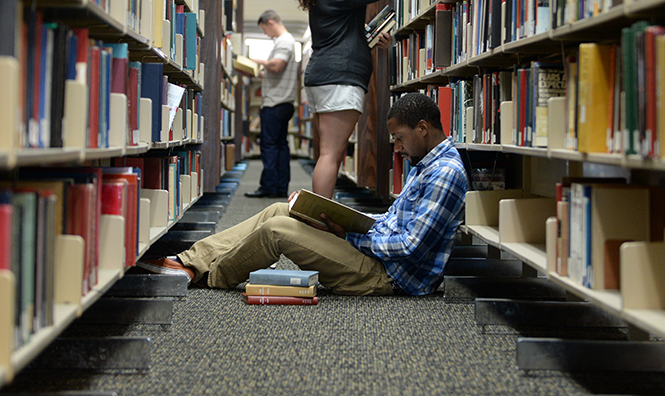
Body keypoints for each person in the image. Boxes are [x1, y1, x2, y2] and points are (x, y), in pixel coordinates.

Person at [137, 93, 469, 296]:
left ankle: (212, 276)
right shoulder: (425, 162)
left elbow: (410, 247)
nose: (396, 148)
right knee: (280, 210)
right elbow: (395, 220)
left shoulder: (446, 173)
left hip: (390, 276)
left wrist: (350, 235)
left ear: (423, 128)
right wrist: (348, 218)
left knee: (276, 232)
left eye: (399, 138)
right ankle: (188, 262)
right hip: (378, 255)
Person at [293, 0, 408, 198]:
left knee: (330, 153)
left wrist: (369, 37)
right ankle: (316, 221)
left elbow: (341, 33)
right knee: (330, 155)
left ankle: (319, 216)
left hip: (328, 75)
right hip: (338, 78)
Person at [245, 10, 297, 198]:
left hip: (275, 103)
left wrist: (255, 61)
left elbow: (276, 66)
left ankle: (269, 187)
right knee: (280, 146)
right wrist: (255, 73)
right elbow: (276, 73)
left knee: (270, 146)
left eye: (265, 30)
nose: (266, 34)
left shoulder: (284, 41)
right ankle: (279, 187)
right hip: (284, 101)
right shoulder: (287, 41)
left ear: (270, 22)